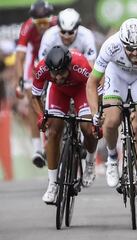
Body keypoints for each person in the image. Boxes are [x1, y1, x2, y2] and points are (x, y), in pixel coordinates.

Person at [86, 18, 137, 202]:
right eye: (130, 48)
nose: (136, 52)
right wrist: (94, 113)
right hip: (117, 76)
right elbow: (91, 83)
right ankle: (113, 157)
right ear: (122, 44)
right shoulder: (110, 45)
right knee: (112, 119)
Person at [32, 46, 98, 203]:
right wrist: (42, 116)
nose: (58, 77)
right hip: (58, 92)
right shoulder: (42, 68)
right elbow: (35, 96)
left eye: (62, 72)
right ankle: (53, 183)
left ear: (69, 66)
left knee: (87, 128)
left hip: (83, 90)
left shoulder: (81, 65)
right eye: (54, 73)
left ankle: (89, 162)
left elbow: (97, 90)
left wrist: (97, 116)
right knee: (53, 132)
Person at [14, 0, 56, 168]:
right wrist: (20, 82)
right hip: (34, 60)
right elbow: (20, 57)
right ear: (33, 22)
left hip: (53, 58)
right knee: (32, 99)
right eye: (40, 24)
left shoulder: (57, 23)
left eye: (46, 22)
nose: (43, 26)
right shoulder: (28, 27)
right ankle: (37, 149)